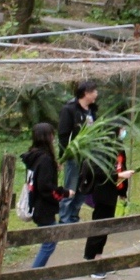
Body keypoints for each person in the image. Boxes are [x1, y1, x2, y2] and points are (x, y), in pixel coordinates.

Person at [21, 123, 64, 280]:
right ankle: (32, 279)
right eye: (52, 135)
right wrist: (63, 192)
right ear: (48, 137)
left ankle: (39, 275)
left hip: (37, 205)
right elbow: (45, 187)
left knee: (50, 240)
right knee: (49, 241)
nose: (54, 138)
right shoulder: (44, 159)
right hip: (42, 207)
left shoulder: (34, 156)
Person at [80, 144, 133, 278]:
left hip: (113, 192)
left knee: (106, 227)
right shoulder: (101, 148)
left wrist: (122, 190)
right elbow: (98, 171)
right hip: (102, 192)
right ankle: (91, 262)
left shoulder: (120, 147)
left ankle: (98, 257)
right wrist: (119, 175)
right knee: (99, 226)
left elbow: (122, 166)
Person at [56, 81, 100, 226]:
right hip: (74, 156)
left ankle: (74, 216)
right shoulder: (69, 110)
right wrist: (64, 156)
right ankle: (64, 219)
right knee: (71, 186)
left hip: (89, 156)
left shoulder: (91, 110)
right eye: (94, 91)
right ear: (86, 93)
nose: (96, 94)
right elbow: (63, 135)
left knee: (84, 187)